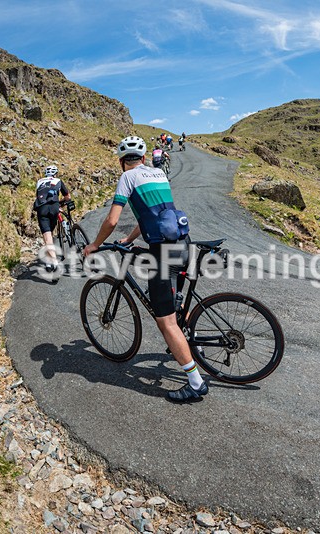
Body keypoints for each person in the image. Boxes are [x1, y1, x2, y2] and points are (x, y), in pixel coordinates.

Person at [83, 136, 207, 402]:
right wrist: (129, 239)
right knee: (174, 301)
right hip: (184, 244)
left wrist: (94, 245)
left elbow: (112, 220)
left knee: (166, 322)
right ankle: (192, 340)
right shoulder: (158, 173)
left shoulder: (127, 177)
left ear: (121, 161)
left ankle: (195, 383)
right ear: (143, 158)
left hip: (164, 253)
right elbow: (153, 215)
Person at [34, 165, 70, 272]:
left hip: (42, 208)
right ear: (55, 174)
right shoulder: (58, 180)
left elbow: (38, 196)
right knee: (51, 233)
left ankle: (53, 262)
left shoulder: (39, 182)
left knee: (47, 236)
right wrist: (60, 203)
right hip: (54, 207)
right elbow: (68, 197)